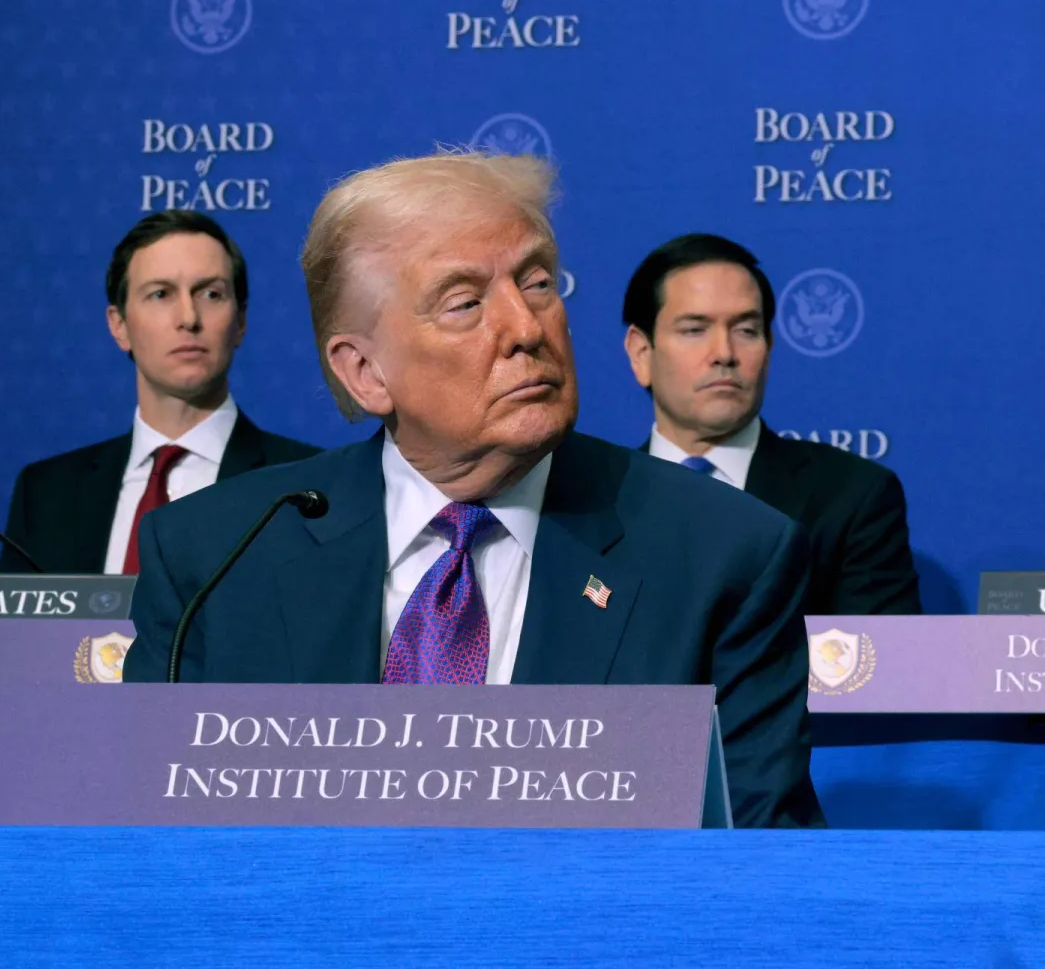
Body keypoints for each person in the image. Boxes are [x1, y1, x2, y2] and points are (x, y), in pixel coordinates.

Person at [121, 153, 824, 829]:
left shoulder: (722, 556)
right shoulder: (215, 558)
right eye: (464, 303)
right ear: (364, 371)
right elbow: (143, 846)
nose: (526, 328)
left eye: (539, 283)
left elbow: (758, 873)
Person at [0, 211, 318, 575]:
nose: (188, 317)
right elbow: (20, 632)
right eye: (161, 294)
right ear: (119, 326)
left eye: (211, 294)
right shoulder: (46, 494)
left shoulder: (305, 487)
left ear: (240, 322)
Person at [623, 233, 921, 615]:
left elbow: (880, 667)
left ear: (769, 346)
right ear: (641, 353)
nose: (724, 354)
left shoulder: (852, 498)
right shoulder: (595, 501)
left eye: (746, 330)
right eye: (695, 329)